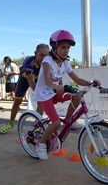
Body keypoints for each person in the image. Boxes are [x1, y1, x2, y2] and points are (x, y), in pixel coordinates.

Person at [33, 30, 101, 160]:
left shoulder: (65, 63)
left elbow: (77, 80)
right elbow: (47, 78)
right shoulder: (47, 60)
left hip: (55, 92)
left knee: (78, 96)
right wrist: (53, 86)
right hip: (43, 95)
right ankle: (41, 144)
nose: (66, 50)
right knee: (56, 123)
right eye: (63, 47)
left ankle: (69, 121)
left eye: (68, 48)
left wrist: (91, 82)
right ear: (55, 47)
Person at [0, 43, 50, 134]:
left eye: (46, 55)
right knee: (17, 102)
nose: (44, 58)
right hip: (25, 79)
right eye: (41, 55)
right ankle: (10, 123)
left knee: (41, 102)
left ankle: (37, 126)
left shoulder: (49, 62)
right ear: (35, 53)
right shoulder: (29, 63)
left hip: (38, 78)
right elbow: (31, 84)